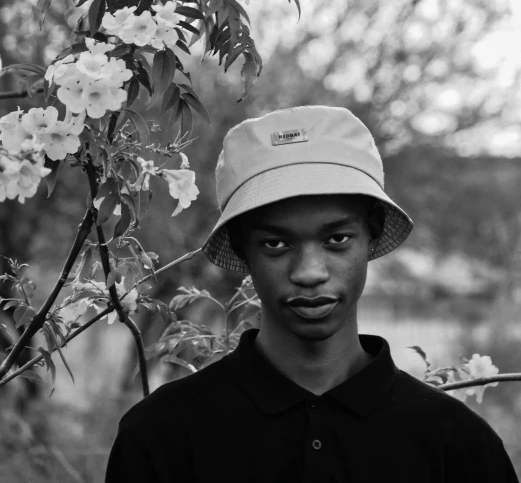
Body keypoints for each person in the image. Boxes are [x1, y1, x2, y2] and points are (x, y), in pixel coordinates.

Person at [106, 105, 519, 482]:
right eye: (275, 244)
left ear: (370, 235)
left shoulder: (457, 445)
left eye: (337, 239)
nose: (309, 273)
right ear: (240, 248)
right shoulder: (162, 435)